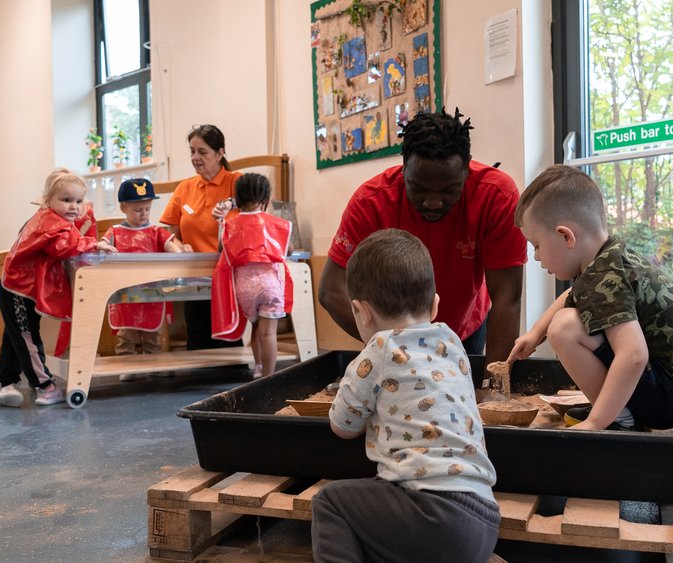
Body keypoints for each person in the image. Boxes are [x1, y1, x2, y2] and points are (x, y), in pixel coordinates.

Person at [311, 228, 500, 563]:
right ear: (435, 304)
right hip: (483, 520)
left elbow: (342, 426)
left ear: (361, 311)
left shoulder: (380, 348)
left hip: (431, 515)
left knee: (330, 502)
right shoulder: (452, 344)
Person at [506, 164, 673, 431]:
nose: (537, 257)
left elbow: (634, 355)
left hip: (670, 398)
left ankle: (620, 419)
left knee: (564, 327)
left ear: (565, 236)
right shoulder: (608, 258)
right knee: (566, 320)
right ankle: (617, 409)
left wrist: (595, 423)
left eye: (537, 245)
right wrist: (536, 333)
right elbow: (573, 294)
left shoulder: (605, 275)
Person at [318, 108, 527, 366]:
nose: (432, 202)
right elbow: (331, 290)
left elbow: (508, 296)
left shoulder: (496, 196)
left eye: (449, 190)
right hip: (394, 338)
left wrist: (495, 382)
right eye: (419, 189)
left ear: (466, 171)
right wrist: (389, 345)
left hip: (466, 327)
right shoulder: (371, 202)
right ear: (404, 169)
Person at [0, 168, 114, 407]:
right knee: (26, 337)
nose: (74, 207)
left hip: (18, 286)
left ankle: (8, 383)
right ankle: (45, 386)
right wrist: (94, 244)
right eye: (66, 200)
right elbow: (63, 247)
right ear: (49, 201)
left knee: (15, 335)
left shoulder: (51, 218)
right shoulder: (50, 222)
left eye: (78, 201)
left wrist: (85, 217)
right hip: (19, 288)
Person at [158, 124, 243, 351]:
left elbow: (256, 210)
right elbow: (171, 233)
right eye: (192, 151)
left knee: (228, 338)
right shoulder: (184, 188)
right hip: (194, 273)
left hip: (228, 273)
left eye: (202, 152)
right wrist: (178, 246)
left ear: (220, 153)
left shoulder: (237, 182)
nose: (195, 157)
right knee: (197, 336)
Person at [101, 178, 190, 373]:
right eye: (137, 210)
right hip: (124, 295)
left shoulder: (155, 231)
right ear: (123, 208)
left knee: (153, 337)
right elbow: (103, 246)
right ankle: (127, 368)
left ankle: (154, 366)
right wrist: (103, 248)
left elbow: (171, 246)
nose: (143, 214)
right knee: (126, 336)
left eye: (147, 209)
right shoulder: (115, 232)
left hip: (151, 294)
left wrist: (180, 252)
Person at [211, 173, 294, 378]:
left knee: (256, 327)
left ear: (238, 198)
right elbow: (288, 250)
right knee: (268, 333)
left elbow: (222, 248)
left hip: (244, 287)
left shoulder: (230, 225)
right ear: (266, 199)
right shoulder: (277, 223)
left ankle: (257, 367)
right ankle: (268, 378)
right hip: (270, 285)